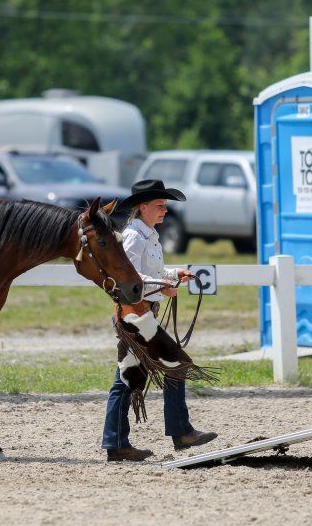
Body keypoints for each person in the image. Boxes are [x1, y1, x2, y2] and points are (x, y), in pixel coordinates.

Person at [101, 179, 218, 462]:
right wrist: (162, 286)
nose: (165, 210)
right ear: (143, 207)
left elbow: (149, 272)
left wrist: (173, 274)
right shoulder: (134, 236)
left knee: (130, 376)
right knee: (169, 367)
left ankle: (118, 442)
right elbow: (128, 277)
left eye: (165, 205)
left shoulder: (149, 235)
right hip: (135, 315)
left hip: (143, 315)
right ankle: (178, 432)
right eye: (160, 205)